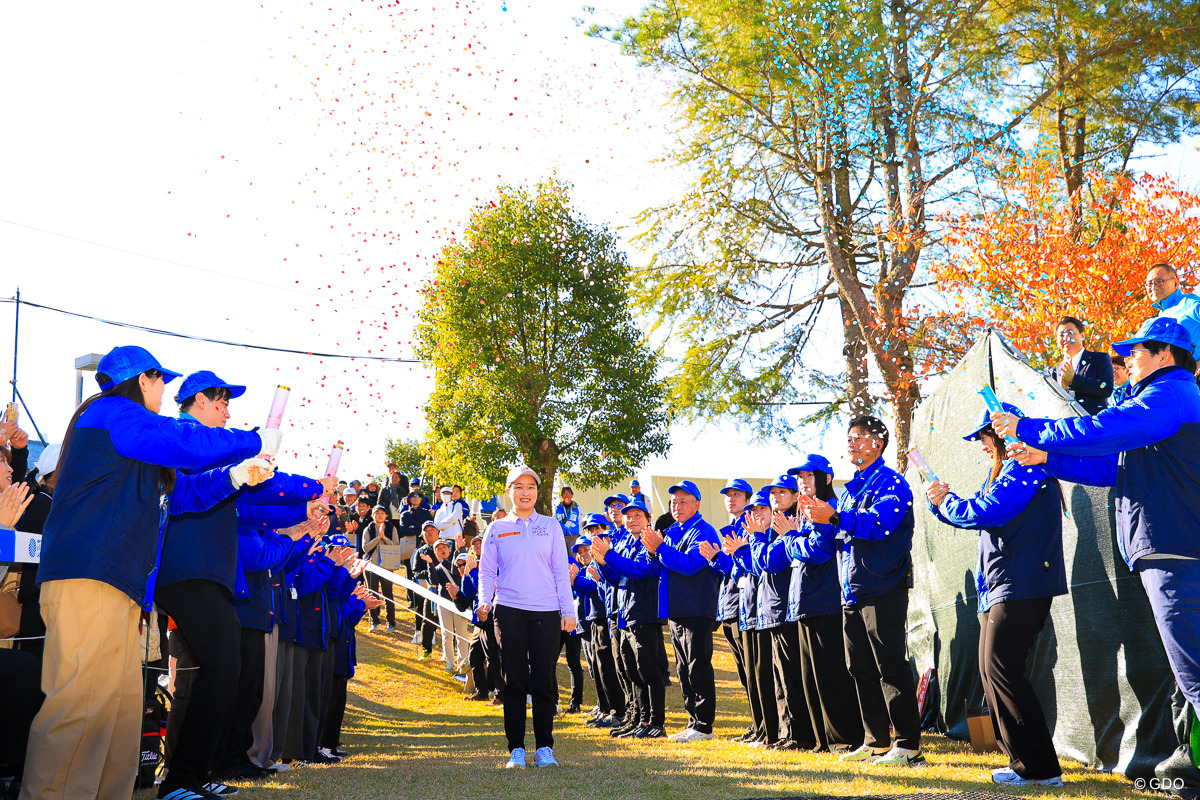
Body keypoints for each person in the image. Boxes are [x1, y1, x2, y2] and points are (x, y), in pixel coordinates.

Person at [21, 345, 279, 800]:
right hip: (90, 574)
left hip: (119, 584)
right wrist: (255, 440)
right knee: (80, 707)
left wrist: (238, 476)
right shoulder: (114, 413)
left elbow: (184, 495)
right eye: (161, 381)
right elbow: (189, 442)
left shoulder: (134, 436)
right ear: (144, 380)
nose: (164, 391)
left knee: (118, 714)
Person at [996, 316, 1200, 792]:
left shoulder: (1168, 393)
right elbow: (1113, 465)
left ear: (1164, 354)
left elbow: (1103, 430)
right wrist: (1047, 457)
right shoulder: (1163, 401)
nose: (1127, 360)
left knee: (1193, 673)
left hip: (1174, 550)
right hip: (1171, 549)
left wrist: (1030, 427)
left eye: (1136, 352)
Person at [926, 404, 1066, 787]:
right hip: (1001, 585)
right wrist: (939, 505)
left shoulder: (1026, 468)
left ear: (1004, 435)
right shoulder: (1008, 471)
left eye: (985, 437)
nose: (982, 446)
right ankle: (1022, 760)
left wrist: (944, 503)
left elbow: (987, 512)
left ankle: (1040, 769)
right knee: (992, 672)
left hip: (1021, 584)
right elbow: (978, 514)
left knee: (1003, 670)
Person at [799, 415, 925, 767]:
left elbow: (881, 525)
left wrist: (836, 517)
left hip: (883, 584)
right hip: (852, 588)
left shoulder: (891, 482)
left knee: (890, 665)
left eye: (860, 437)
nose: (852, 443)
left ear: (879, 443)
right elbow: (835, 540)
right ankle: (875, 741)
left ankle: (908, 744)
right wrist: (819, 521)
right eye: (849, 437)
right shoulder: (853, 488)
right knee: (860, 667)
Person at [477, 466, 576, 769]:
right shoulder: (496, 528)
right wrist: (483, 602)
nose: (525, 492)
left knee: (545, 681)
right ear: (509, 491)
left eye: (531, 487)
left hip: (547, 611)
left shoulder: (551, 526)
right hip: (508, 610)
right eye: (518, 486)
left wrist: (568, 610)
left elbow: (561, 571)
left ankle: (544, 748)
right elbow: (485, 570)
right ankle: (516, 750)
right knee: (515, 682)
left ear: (538, 492)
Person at [785, 456, 861, 754]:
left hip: (826, 601)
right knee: (810, 676)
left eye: (809, 475)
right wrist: (794, 540)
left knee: (831, 674)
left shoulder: (831, 505)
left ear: (826, 478)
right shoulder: (804, 509)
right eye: (799, 476)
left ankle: (843, 739)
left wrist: (790, 539)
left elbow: (818, 549)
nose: (802, 481)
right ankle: (821, 740)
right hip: (804, 601)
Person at [745, 474, 815, 751]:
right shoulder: (776, 526)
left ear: (795, 496)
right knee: (779, 677)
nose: (775, 497)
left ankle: (799, 733)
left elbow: (769, 562)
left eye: (782, 492)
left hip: (785, 608)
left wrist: (757, 538)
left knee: (790, 675)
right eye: (772, 492)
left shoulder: (791, 524)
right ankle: (785, 733)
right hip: (771, 608)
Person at [591, 497, 667, 740]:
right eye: (628, 516)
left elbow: (639, 570)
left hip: (644, 613)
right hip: (626, 614)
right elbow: (616, 578)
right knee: (631, 670)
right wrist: (602, 562)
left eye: (638, 516)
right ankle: (638, 718)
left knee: (649, 671)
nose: (632, 520)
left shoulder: (648, 542)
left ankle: (656, 721)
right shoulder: (626, 542)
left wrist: (609, 555)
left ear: (648, 520)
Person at [1045, 316, 1113, 414]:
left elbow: (1106, 388)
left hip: (1092, 423)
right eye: (1061, 335)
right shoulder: (1053, 372)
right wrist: (1063, 391)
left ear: (1082, 335)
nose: (1066, 338)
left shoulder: (1099, 359)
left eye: (1069, 333)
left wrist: (1074, 380)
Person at [1147, 262, 1200, 359]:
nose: (1153, 287)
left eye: (1160, 281)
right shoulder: (1161, 315)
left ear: (1176, 282)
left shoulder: (1188, 302)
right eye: (1149, 283)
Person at [361, 505, 399, 632]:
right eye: (377, 513)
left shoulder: (391, 528)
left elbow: (396, 545)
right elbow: (365, 548)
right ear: (373, 515)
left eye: (382, 513)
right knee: (372, 593)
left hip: (387, 565)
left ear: (386, 515)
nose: (380, 515)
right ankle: (374, 621)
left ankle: (391, 623)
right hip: (371, 565)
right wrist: (378, 538)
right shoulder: (369, 528)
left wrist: (385, 538)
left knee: (388, 594)